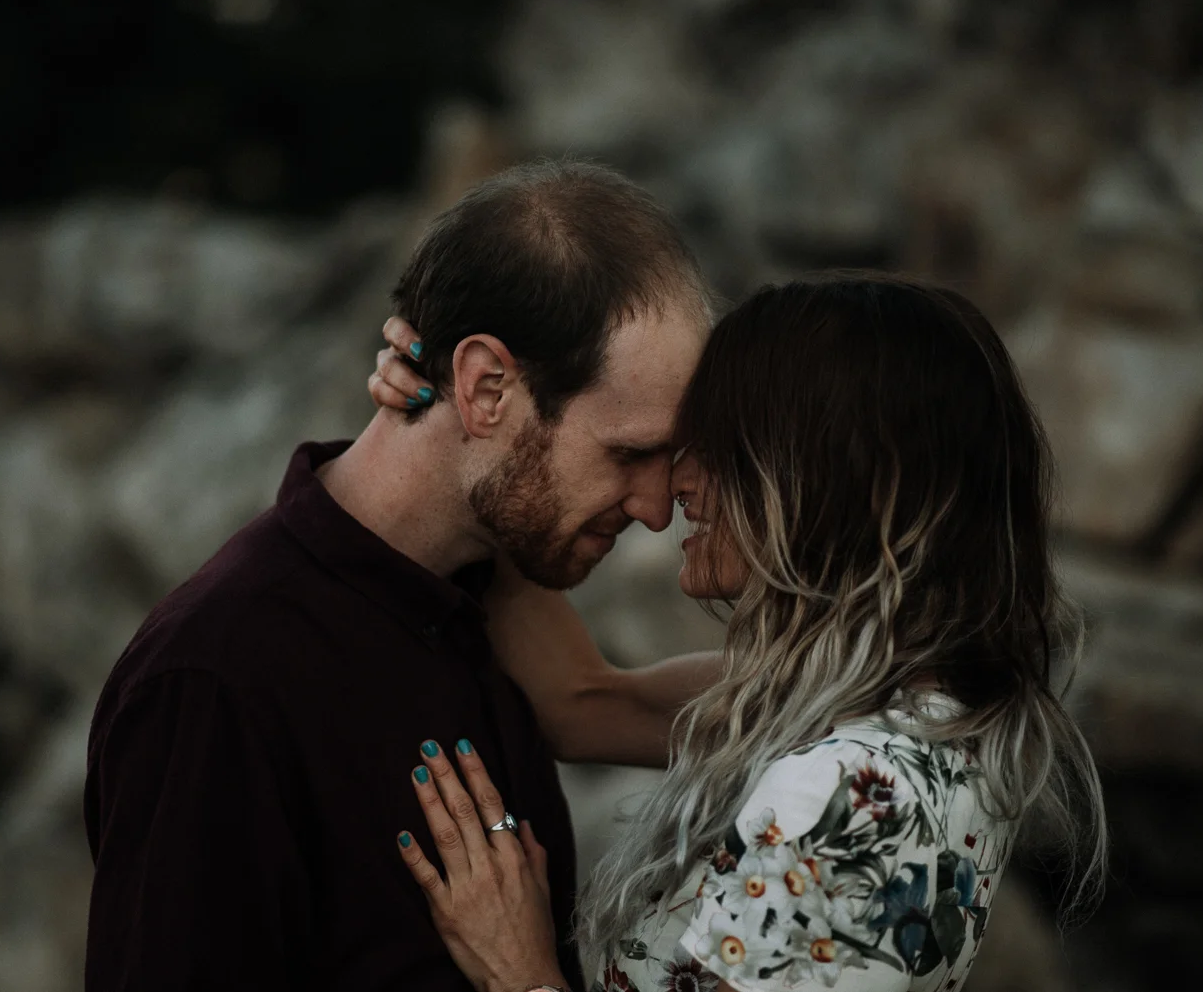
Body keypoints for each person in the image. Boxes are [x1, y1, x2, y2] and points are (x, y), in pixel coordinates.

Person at [370, 272, 1108, 992]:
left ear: (825, 475)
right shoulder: (891, 711)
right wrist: (470, 422)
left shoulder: (845, 791)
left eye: (721, 442)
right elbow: (581, 702)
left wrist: (520, 970)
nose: (677, 482)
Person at [81, 159, 715, 991]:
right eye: (629, 453)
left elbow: (597, 702)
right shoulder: (217, 678)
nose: (658, 510)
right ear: (486, 386)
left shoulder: (491, 587)